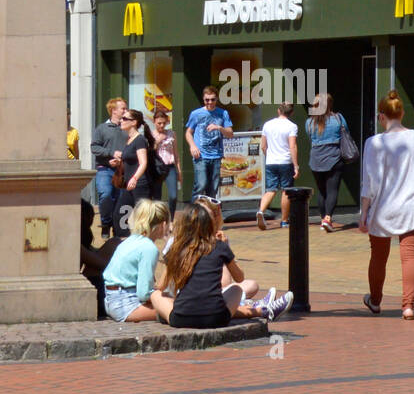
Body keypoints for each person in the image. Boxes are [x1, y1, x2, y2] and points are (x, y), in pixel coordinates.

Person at [151, 197, 291, 326]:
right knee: (236, 289)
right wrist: (228, 253)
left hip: (181, 319)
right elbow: (239, 278)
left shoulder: (176, 248)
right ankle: (261, 309)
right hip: (216, 318)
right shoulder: (219, 246)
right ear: (208, 224)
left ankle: (260, 309)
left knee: (155, 295)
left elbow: (161, 286)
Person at [360, 91, 414, 321]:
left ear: (381, 116)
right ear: (402, 113)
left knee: (378, 257)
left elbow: (369, 182)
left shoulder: (373, 143)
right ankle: (408, 306)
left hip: (382, 209)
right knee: (410, 256)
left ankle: (375, 301)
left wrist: (364, 212)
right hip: (413, 206)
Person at [101, 198, 169, 322]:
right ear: (163, 225)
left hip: (111, 300)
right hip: (126, 305)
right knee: (174, 308)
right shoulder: (149, 248)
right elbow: (144, 293)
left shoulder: (130, 241)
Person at [305, 93, 347, 232]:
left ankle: (323, 219)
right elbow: (345, 132)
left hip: (316, 159)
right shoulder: (338, 118)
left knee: (322, 191)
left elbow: (310, 138)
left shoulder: (309, 122)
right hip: (334, 158)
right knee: (332, 190)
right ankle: (328, 218)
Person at [185, 85, 233, 202]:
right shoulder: (196, 114)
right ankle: (193, 213)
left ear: (216, 99)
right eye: (207, 100)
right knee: (201, 184)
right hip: (201, 155)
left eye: (212, 99)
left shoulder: (223, 113)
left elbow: (230, 133)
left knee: (213, 188)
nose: (210, 102)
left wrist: (219, 127)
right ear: (203, 99)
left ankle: (210, 214)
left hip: (216, 155)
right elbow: (188, 132)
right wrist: (192, 146)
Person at [89, 98, 128, 240]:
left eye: (126, 108)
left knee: (121, 200)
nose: (125, 111)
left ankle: (117, 229)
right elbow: (94, 147)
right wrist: (111, 154)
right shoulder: (102, 128)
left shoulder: (127, 127)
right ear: (113, 110)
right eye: (123, 108)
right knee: (105, 195)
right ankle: (106, 224)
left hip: (122, 170)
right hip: (104, 169)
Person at [258, 102, 300, 229]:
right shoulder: (292, 126)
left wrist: (269, 155)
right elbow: (292, 146)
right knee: (286, 190)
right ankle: (284, 220)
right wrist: (296, 165)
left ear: (278, 111)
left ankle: (260, 211)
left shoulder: (267, 124)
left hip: (271, 161)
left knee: (270, 190)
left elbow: (263, 146)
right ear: (291, 113)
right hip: (285, 161)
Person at [117, 108, 155, 234]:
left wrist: (135, 178)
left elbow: (143, 162)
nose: (121, 120)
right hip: (129, 184)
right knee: (120, 214)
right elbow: (132, 160)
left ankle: (142, 241)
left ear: (134, 122)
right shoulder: (129, 139)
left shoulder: (139, 140)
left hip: (139, 184)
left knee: (141, 218)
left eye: (125, 118)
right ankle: (125, 240)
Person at [152, 108, 180, 210]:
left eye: (164, 123)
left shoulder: (171, 134)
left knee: (173, 195)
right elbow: (149, 152)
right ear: (154, 122)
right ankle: (158, 220)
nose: (162, 126)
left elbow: (176, 153)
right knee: (156, 197)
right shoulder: (150, 135)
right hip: (156, 167)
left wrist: (179, 171)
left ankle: (171, 219)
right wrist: (157, 141)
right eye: (159, 123)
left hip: (170, 166)